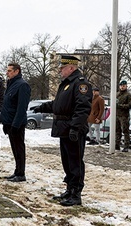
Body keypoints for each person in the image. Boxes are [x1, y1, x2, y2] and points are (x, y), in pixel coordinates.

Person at [33, 55, 92, 206]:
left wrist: (75, 128)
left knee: (75, 162)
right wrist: (42, 107)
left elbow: (82, 108)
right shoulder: (66, 84)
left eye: (62, 68)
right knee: (67, 161)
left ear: (71, 68)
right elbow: (58, 104)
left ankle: (76, 194)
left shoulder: (80, 84)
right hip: (64, 128)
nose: (59, 70)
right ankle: (69, 189)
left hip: (73, 130)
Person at [0, 63, 31, 182]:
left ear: (16, 71)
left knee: (19, 149)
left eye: (9, 71)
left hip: (16, 124)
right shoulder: (11, 84)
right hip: (9, 123)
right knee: (14, 149)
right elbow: (7, 105)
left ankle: (21, 173)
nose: (7, 73)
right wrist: (4, 121)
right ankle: (17, 171)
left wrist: (15, 125)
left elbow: (21, 107)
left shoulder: (22, 85)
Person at [116, 80, 131, 152]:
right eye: (121, 86)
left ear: (126, 86)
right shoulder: (117, 94)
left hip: (124, 116)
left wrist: (120, 106)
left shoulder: (128, 95)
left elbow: (130, 105)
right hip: (117, 115)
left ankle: (126, 145)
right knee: (117, 131)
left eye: (123, 86)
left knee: (125, 131)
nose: (122, 87)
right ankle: (117, 144)